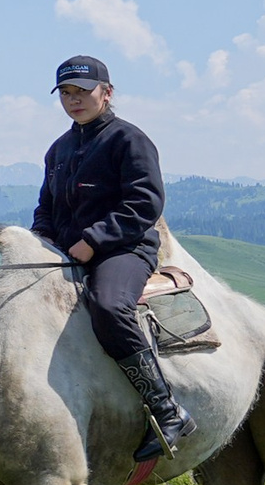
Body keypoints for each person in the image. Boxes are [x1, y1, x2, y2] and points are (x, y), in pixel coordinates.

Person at [34, 54, 193, 460]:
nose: (74, 100)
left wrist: (94, 239)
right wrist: (37, 241)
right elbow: (46, 208)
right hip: (68, 252)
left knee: (108, 304)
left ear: (106, 93)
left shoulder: (129, 140)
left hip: (124, 250)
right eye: (66, 93)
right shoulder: (59, 149)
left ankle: (167, 409)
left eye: (82, 92)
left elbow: (145, 203)